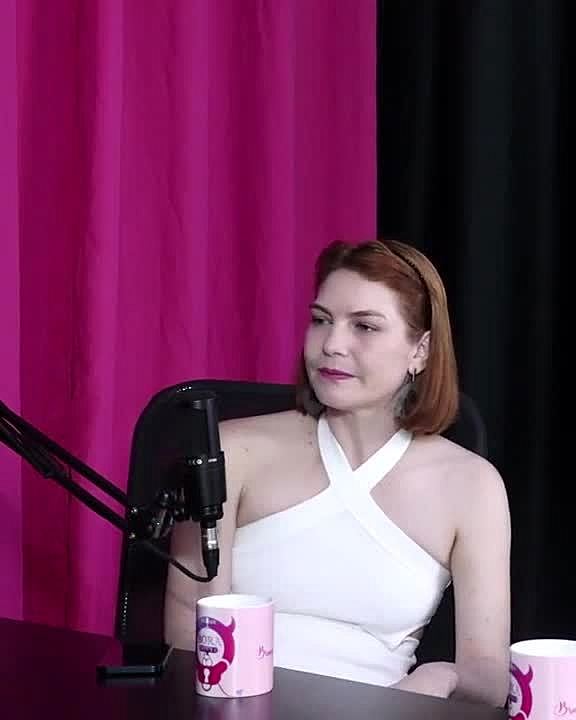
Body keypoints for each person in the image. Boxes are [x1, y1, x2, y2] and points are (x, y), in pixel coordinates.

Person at [165, 239, 511, 708]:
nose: (331, 345)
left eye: (364, 326)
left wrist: (439, 676)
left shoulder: (472, 486)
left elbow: (488, 677)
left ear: (421, 351)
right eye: (321, 320)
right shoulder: (230, 451)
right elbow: (188, 631)